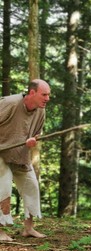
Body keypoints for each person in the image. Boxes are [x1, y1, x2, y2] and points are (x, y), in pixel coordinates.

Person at [0, 79, 51, 241]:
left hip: (20, 155)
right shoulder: (10, 103)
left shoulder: (41, 110)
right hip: (0, 153)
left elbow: (36, 134)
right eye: (44, 94)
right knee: (4, 189)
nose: (47, 98)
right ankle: (0, 230)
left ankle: (28, 228)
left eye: (49, 95)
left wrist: (33, 140)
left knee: (32, 187)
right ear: (32, 93)